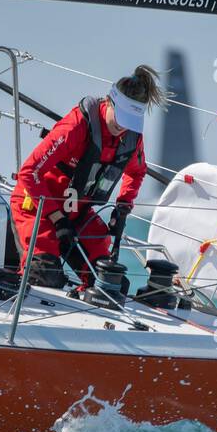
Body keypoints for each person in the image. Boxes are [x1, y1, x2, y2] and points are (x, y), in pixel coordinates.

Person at [10, 65, 166, 288]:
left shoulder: (132, 138)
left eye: (129, 121)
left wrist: (123, 207)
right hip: (37, 207)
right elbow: (29, 171)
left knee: (111, 281)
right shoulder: (76, 126)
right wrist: (57, 218)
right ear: (109, 102)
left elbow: (136, 172)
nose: (121, 126)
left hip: (78, 212)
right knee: (45, 276)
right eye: (120, 117)